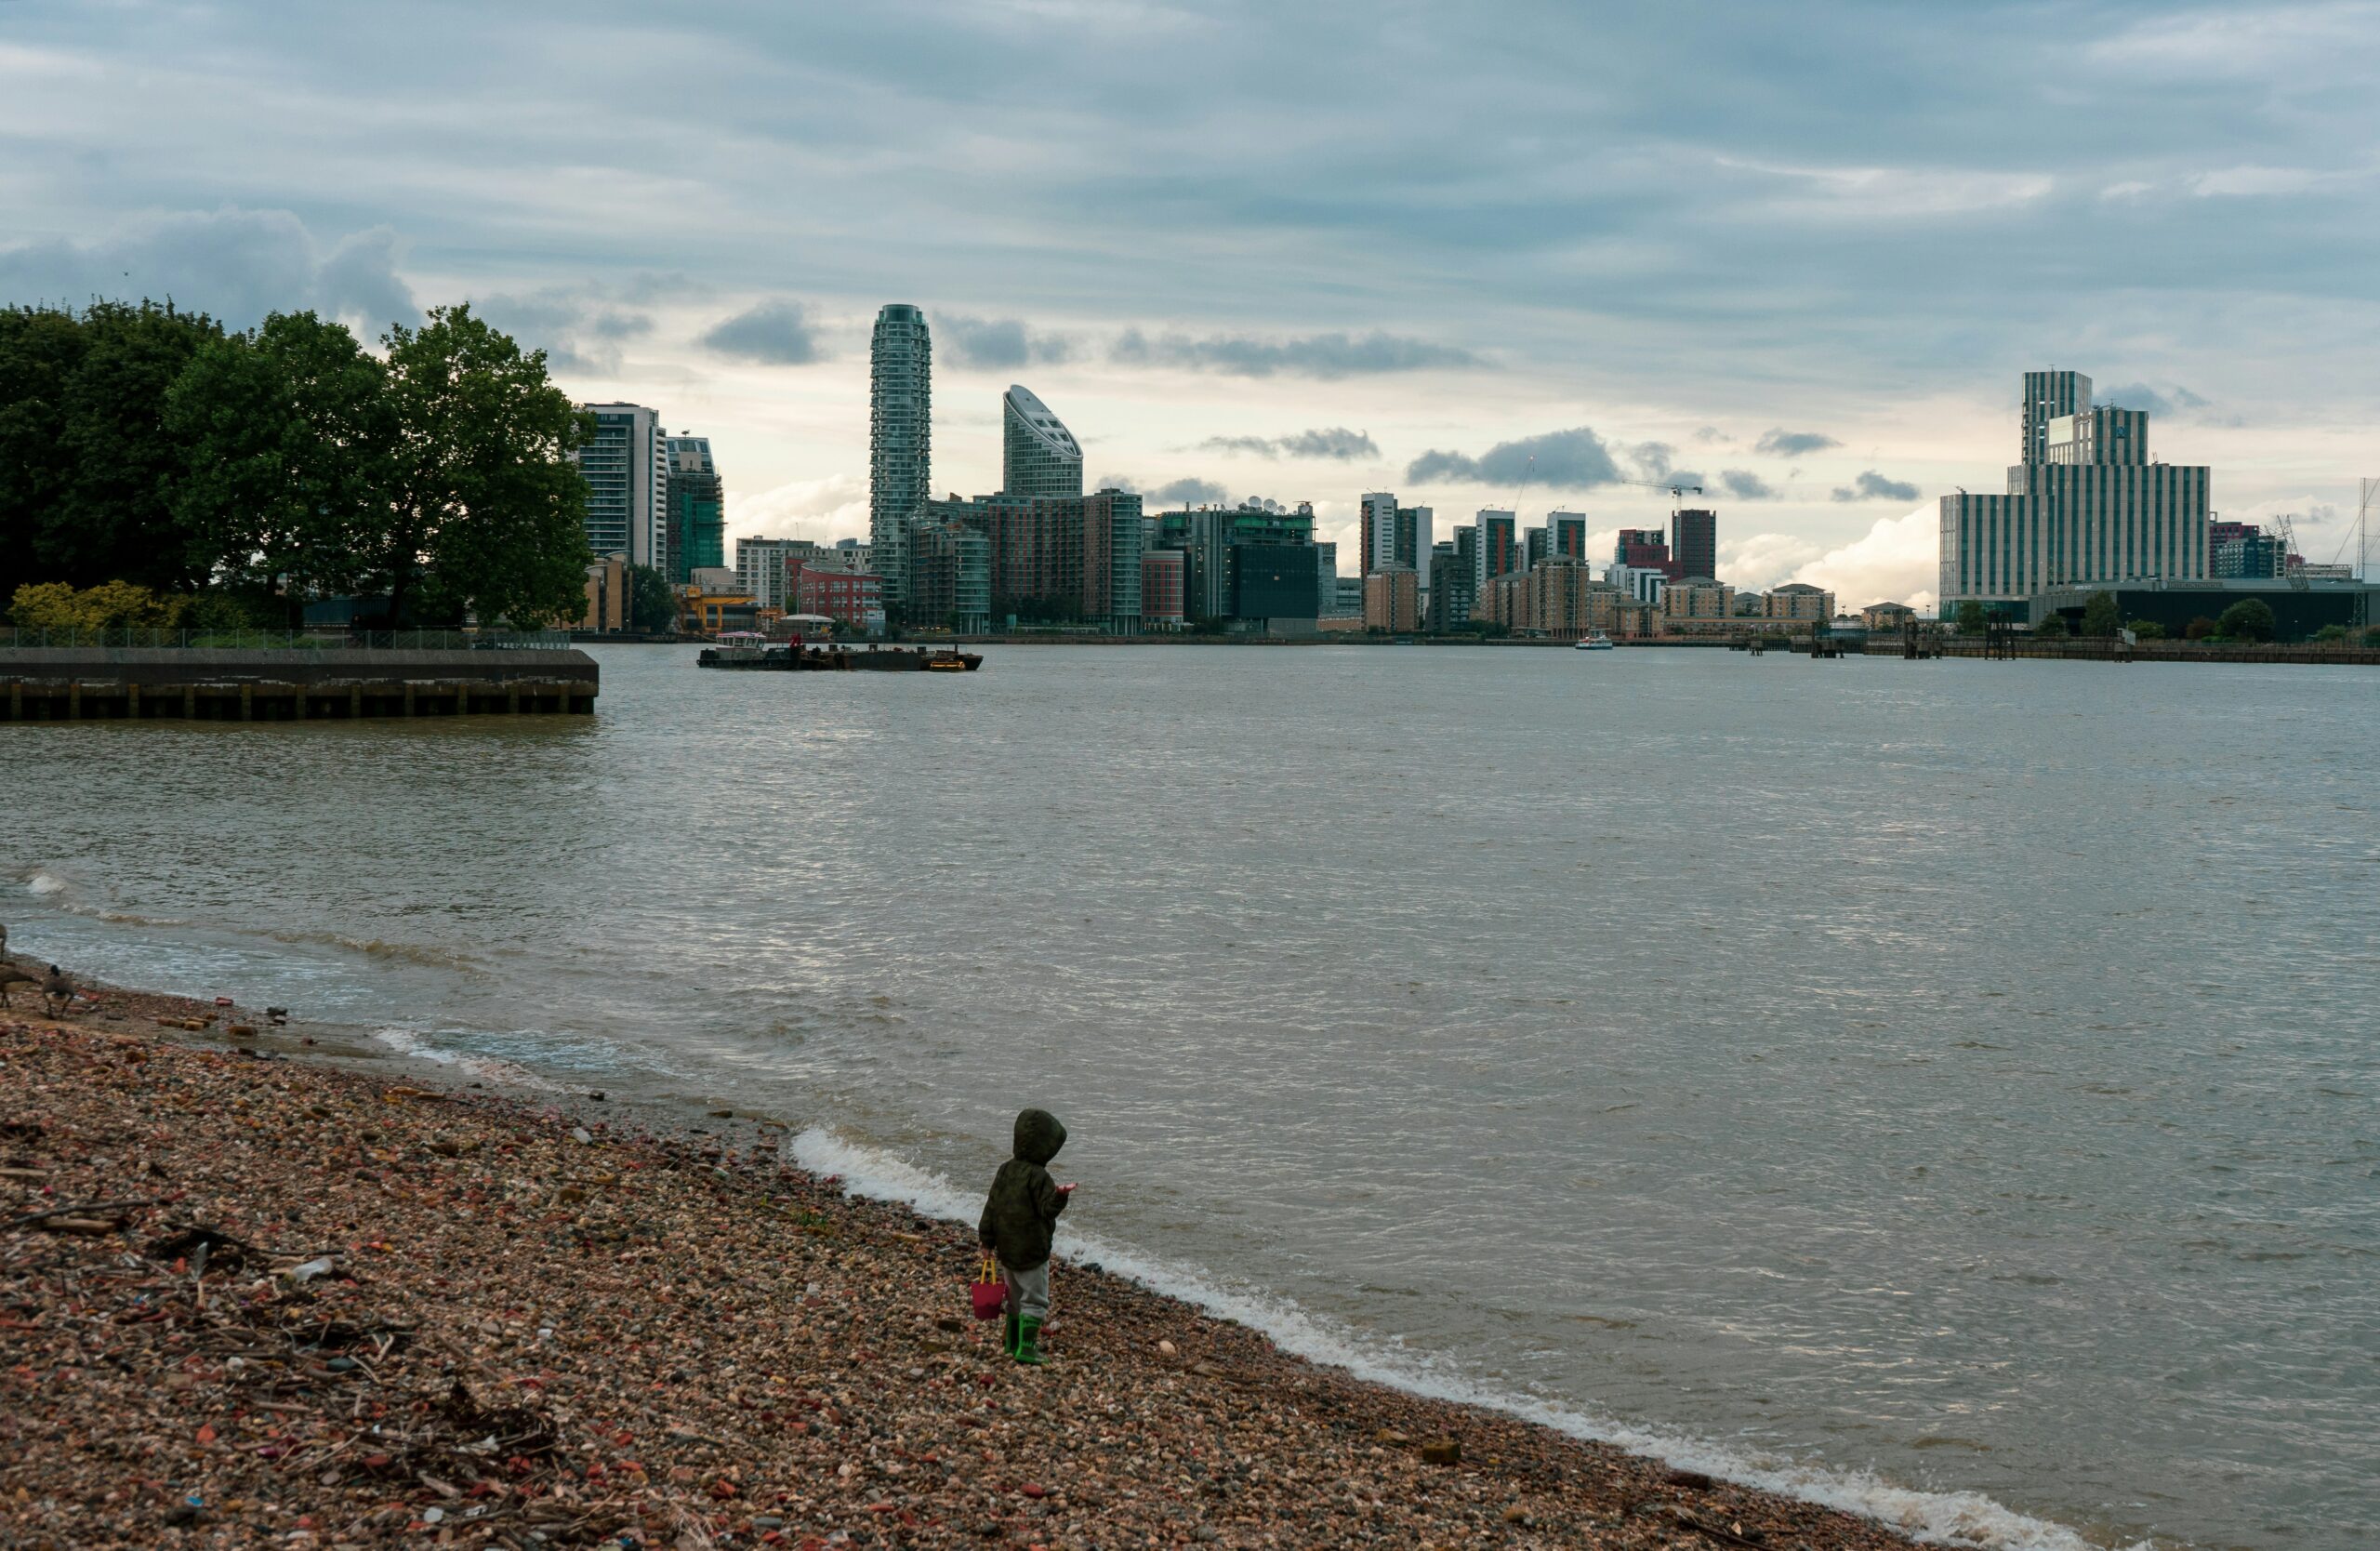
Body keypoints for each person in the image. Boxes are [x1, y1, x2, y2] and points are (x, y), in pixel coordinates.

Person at [976, 1107, 1075, 1365]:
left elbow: (992, 1205)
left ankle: (1011, 1343)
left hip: (1007, 1250)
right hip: (1032, 1251)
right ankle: (1027, 1348)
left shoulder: (1005, 1170)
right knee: (1035, 1299)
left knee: (1015, 1299)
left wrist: (987, 1240)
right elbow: (1046, 1210)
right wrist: (1060, 1196)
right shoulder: (1040, 1176)